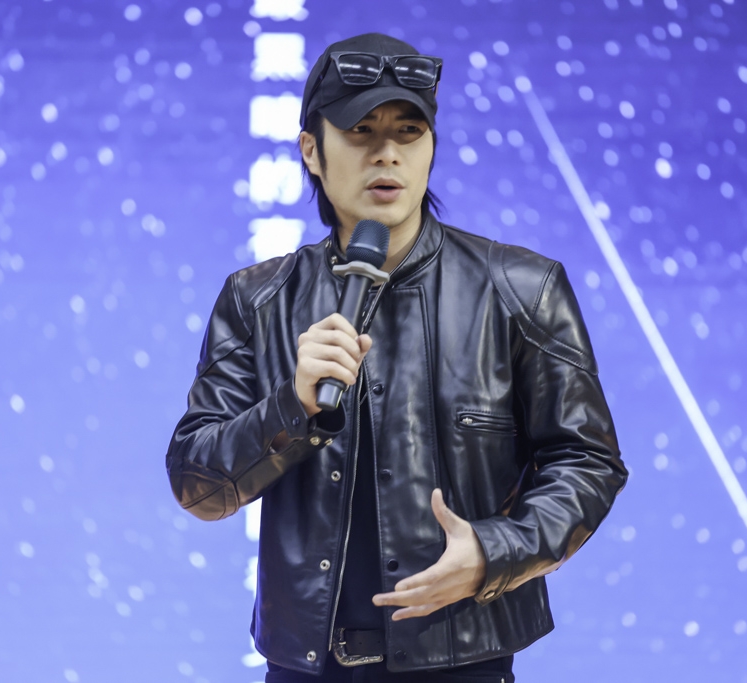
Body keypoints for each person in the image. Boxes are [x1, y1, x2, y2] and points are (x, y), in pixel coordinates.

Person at [166, 32, 628, 682]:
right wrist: (292, 406)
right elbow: (197, 485)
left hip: (465, 659)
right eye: (361, 130)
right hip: (305, 669)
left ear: (431, 146)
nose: (387, 152)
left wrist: (494, 552)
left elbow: (588, 462)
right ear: (311, 151)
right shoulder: (257, 299)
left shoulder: (522, 289)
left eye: (409, 131)